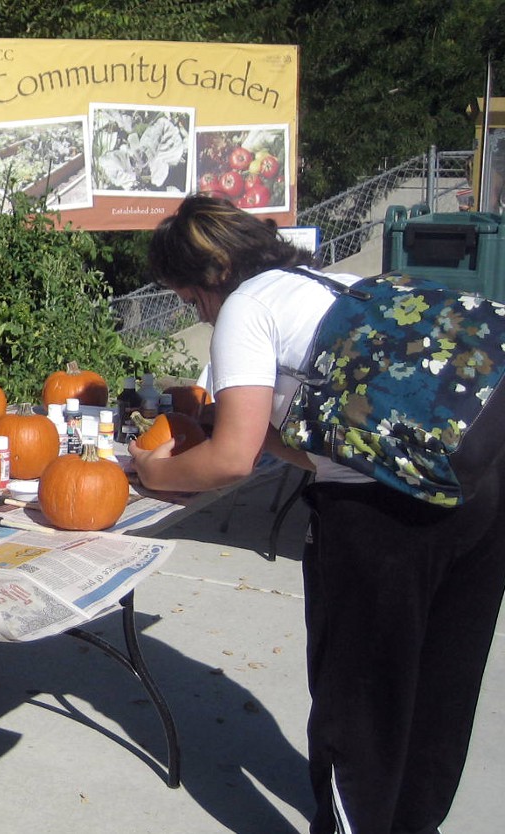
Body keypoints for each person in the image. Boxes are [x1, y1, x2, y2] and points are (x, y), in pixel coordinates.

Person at [128, 194, 505, 834]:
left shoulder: (246, 306)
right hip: (482, 481)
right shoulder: (336, 283)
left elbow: (230, 462)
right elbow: (334, 432)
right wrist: (254, 429)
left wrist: (153, 470)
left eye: (190, 299)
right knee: (440, 688)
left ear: (212, 275)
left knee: (358, 703)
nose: (196, 311)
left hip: (382, 521)